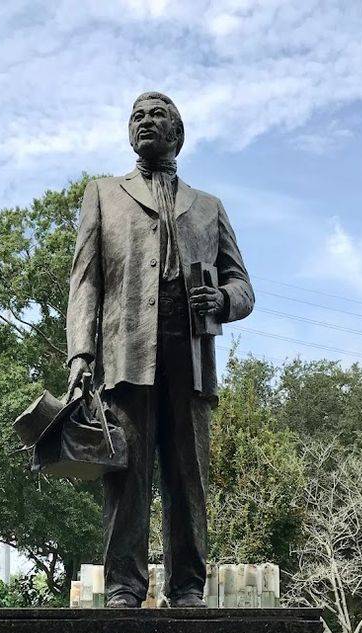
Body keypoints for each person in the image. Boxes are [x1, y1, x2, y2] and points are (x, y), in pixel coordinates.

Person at [66, 91, 254, 607]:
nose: (146, 122)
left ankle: (188, 587)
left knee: (186, 474)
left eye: (158, 115)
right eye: (137, 116)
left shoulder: (209, 207)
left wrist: (220, 298)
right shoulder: (103, 194)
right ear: (130, 133)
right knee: (126, 472)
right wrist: (81, 355)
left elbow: (244, 289)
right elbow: (85, 282)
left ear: (178, 133)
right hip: (126, 354)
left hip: (189, 354)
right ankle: (124, 586)